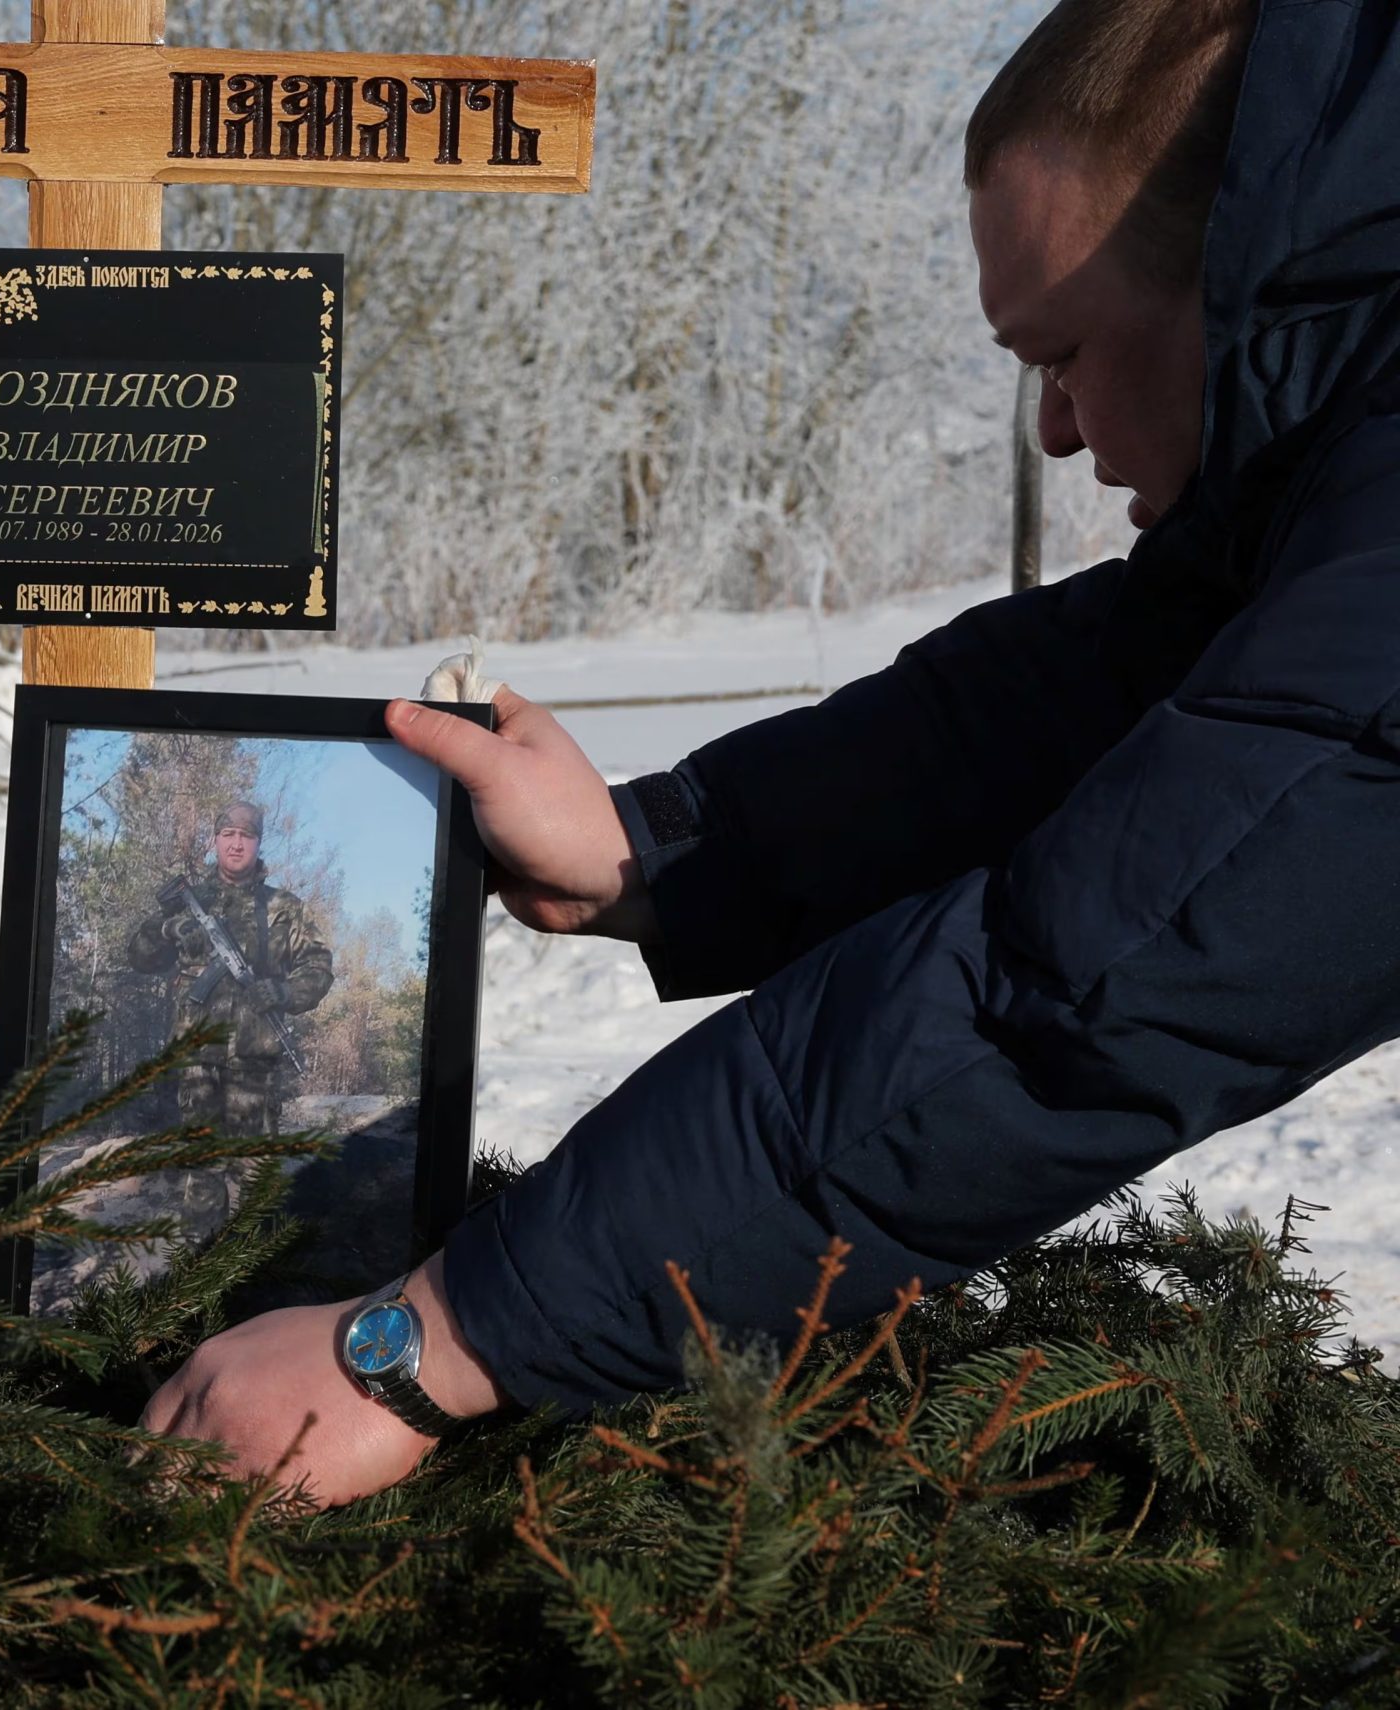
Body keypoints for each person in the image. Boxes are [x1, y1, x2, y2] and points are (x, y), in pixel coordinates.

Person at [146, 0, 1400, 1508]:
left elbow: (1080, 987)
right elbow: (1094, 696)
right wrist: (662, 857)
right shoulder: (1331, 446)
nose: (1056, 430)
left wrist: (420, 1345)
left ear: (1245, 282)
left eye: (1061, 351)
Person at [127, 801, 334, 1136]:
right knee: (201, 1174)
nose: (237, 843)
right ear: (215, 840)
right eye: (228, 834)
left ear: (259, 842)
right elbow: (139, 957)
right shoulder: (188, 901)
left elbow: (319, 967)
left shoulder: (285, 908)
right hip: (196, 1064)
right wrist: (170, 931)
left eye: (247, 836)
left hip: (255, 1068)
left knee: (253, 1179)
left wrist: (284, 992)